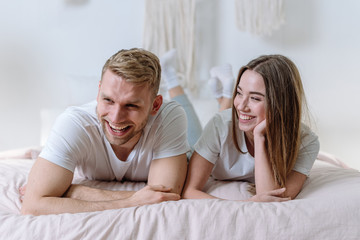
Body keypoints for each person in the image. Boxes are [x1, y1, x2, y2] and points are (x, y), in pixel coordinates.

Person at [21, 48, 190, 215]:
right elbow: (32, 205)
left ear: (155, 105)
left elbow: (165, 197)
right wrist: (131, 201)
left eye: (131, 105)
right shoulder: (74, 123)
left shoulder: (169, 117)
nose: (116, 118)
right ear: (98, 92)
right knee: (33, 151)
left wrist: (74, 191)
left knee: (197, 137)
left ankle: (173, 78)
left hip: (184, 135)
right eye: (108, 100)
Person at [178, 54, 320, 201]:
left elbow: (273, 199)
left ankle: (223, 97)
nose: (241, 105)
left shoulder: (307, 141)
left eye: (255, 98)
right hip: (200, 147)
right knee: (185, 122)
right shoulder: (220, 125)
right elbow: (188, 191)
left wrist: (259, 137)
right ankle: (173, 81)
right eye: (239, 93)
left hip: (231, 127)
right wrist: (245, 203)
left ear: (281, 104)